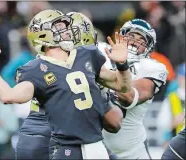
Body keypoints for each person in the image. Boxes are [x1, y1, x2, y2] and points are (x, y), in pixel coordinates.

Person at [0, 9, 131, 159]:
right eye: (60, 27)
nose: (68, 30)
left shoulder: (87, 54)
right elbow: (8, 96)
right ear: (43, 34)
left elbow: (122, 86)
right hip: (65, 148)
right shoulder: (35, 69)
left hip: (95, 145)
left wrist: (122, 65)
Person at [15, 11, 124, 160]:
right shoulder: (84, 58)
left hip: (29, 135)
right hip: (61, 141)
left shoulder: (42, 62)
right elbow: (114, 122)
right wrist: (105, 95)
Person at [102, 19, 168, 159]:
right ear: (121, 36)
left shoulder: (152, 67)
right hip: (96, 148)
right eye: (131, 36)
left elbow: (128, 97)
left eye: (141, 40)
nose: (134, 42)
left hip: (132, 152)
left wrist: (102, 75)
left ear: (149, 47)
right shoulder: (102, 52)